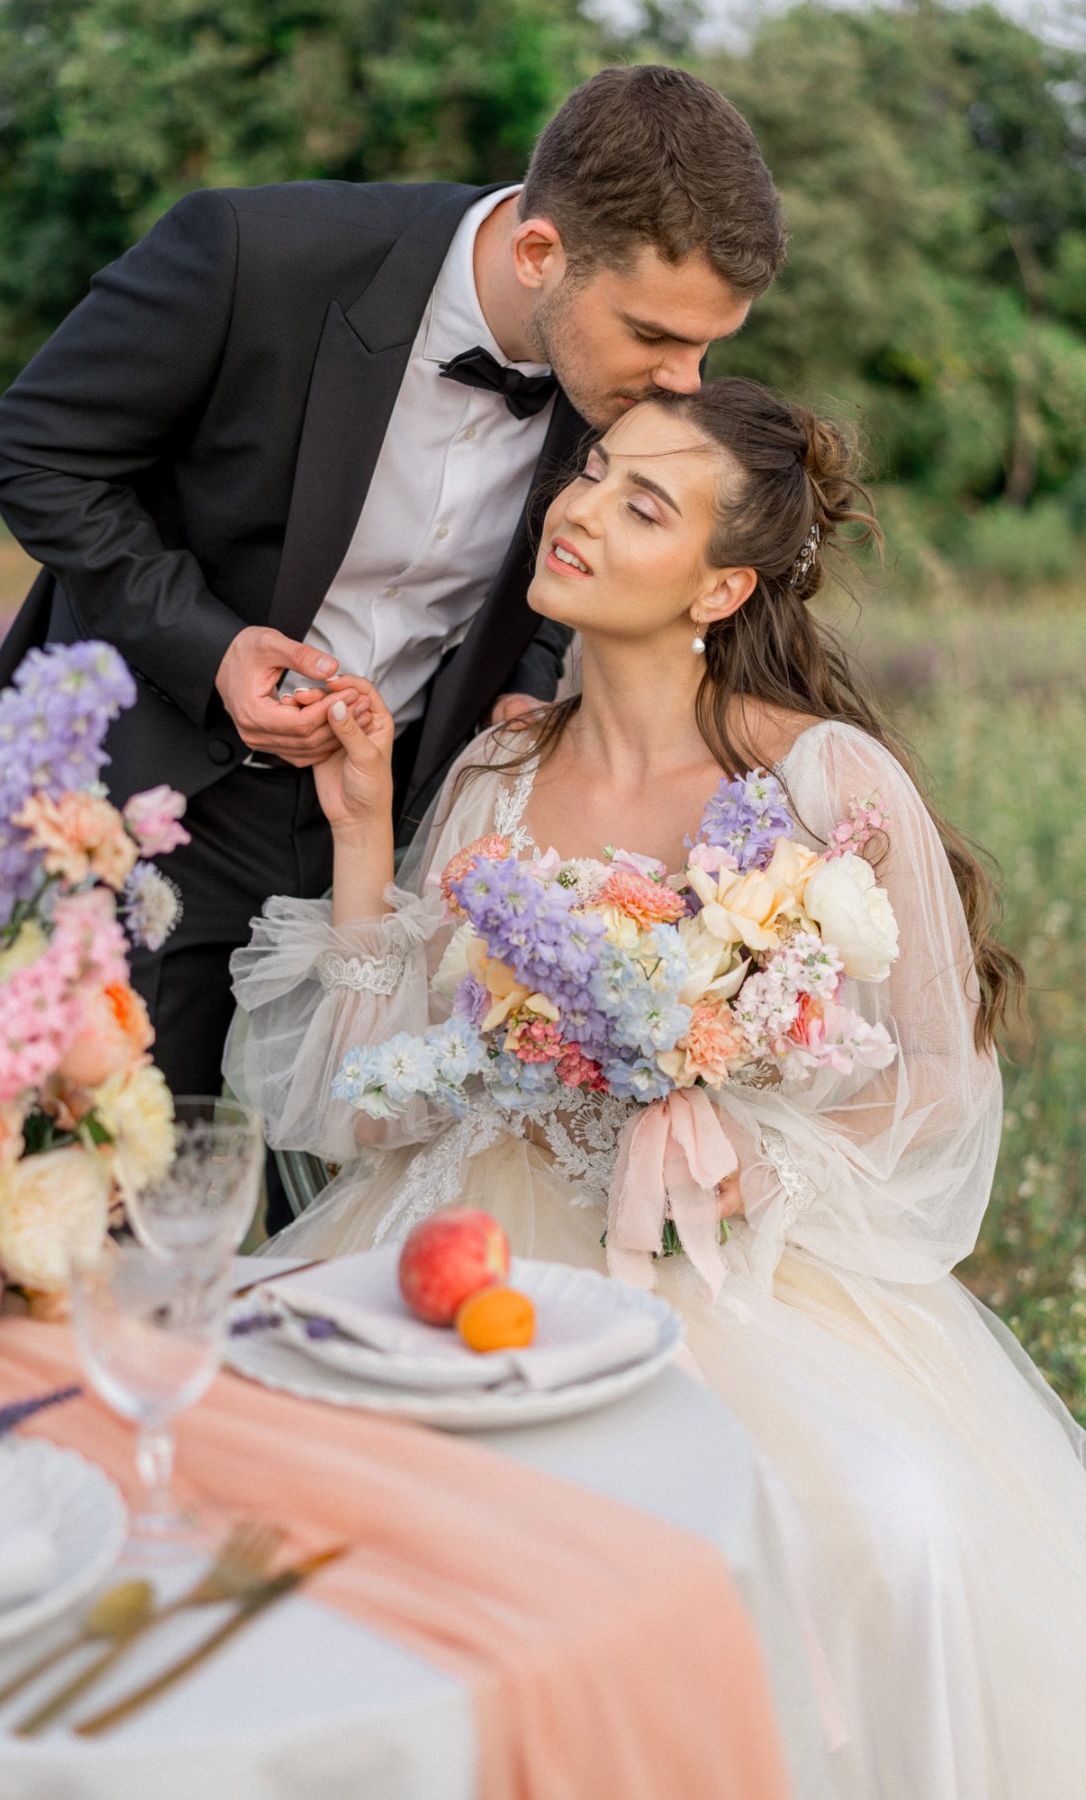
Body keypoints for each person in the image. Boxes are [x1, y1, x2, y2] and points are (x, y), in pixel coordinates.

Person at [224, 376, 1086, 1798]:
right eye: (595, 474)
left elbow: (939, 1080)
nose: (578, 511)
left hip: (737, 1267)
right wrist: (367, 831)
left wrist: (745, 1141)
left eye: (644, 504)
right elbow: (370, 1104)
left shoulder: (821, 781)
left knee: (886, 1522)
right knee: (324, 1501)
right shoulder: (503, 766)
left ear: (721, 582)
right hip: (477, 1240)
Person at [0, 66, 784, 1185]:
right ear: (540, 254)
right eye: (655, 336)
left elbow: (549, 571)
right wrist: (212, 649)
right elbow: (37, 450)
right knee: (118, 1195)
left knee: (359, 1232)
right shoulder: (251, 255)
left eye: (708, 345)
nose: (684, 384)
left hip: (392, 844)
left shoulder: (613, 389)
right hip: (157, 807)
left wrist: (526, 677)